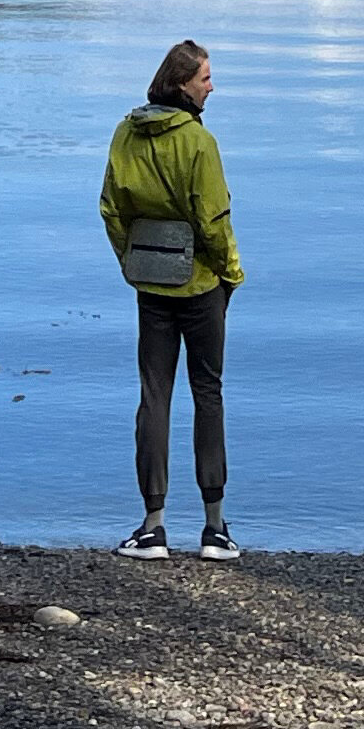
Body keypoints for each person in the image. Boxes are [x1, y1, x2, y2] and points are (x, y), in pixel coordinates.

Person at [97, 34, 241, 560]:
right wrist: (231, 276)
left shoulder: (124, 133)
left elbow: (111, 209)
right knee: (209, 393)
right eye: (206, 77)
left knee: (154, 396)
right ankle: (214, 529)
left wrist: (132, 262)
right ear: (183, 84)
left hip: (149, 284)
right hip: (202, 285)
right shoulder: (199, 143)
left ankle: (152, 526)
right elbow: (213, 220)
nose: (212, 86)